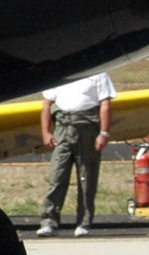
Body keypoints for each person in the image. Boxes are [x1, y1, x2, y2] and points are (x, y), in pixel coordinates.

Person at [37, 71, 118, 237]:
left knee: (87, 178)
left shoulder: (99, 73)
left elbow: (105, 104)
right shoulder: (58, 73)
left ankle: (84, 222)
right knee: (57, 177)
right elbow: (47, 105)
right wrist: (46, 132)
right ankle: (49, 221)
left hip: (87, 129)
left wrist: (104, 133)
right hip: (63, 128)